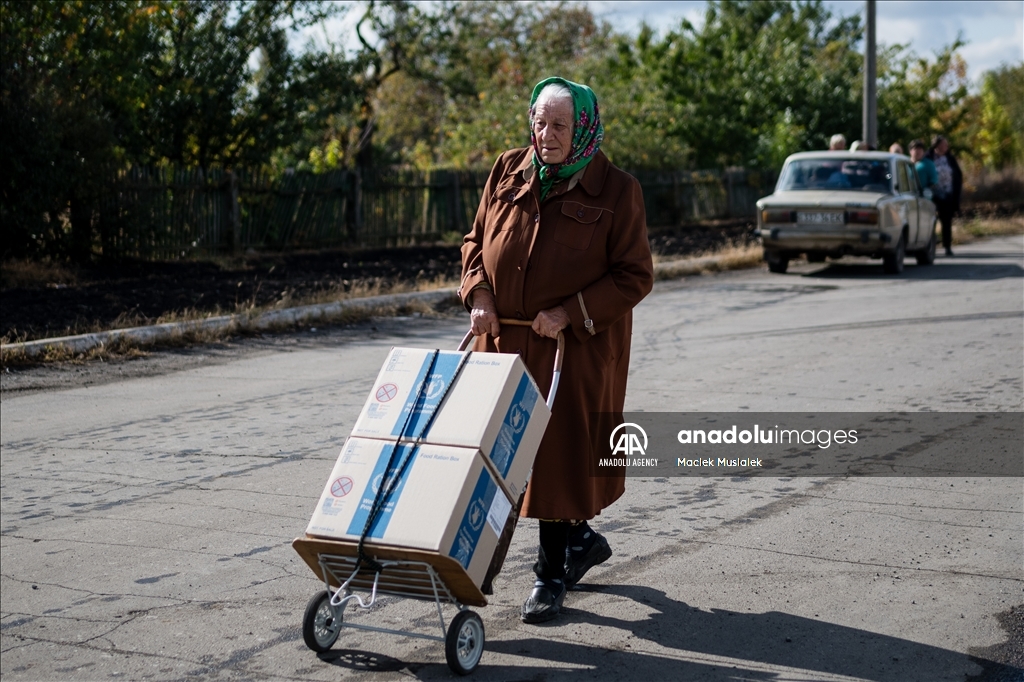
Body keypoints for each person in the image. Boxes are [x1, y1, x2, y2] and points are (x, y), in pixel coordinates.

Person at [459, 77, 654, 624]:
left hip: (572, 348)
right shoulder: (507, 169)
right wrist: (477, 293)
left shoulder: (617, 190)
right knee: (495, 454)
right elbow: (475, 242)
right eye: (539, 123)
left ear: (584, 127)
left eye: (559, 126)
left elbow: (635, 275)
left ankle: (550, 575)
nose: (546, 136)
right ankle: (580, 541)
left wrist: (569, 312)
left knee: (552, 459)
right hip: (501, 339)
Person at [927, 135, 962, 256]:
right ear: (937, 145)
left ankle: (947, 246)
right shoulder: (928, 158)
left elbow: (958, 175)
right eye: (944, 144)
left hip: (947, 195)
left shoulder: (950, 158)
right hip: (931, 196)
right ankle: (929, 245)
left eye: (947, 144)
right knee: (930, 221)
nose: (946, 146)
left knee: (946, 222)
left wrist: (956, 193)